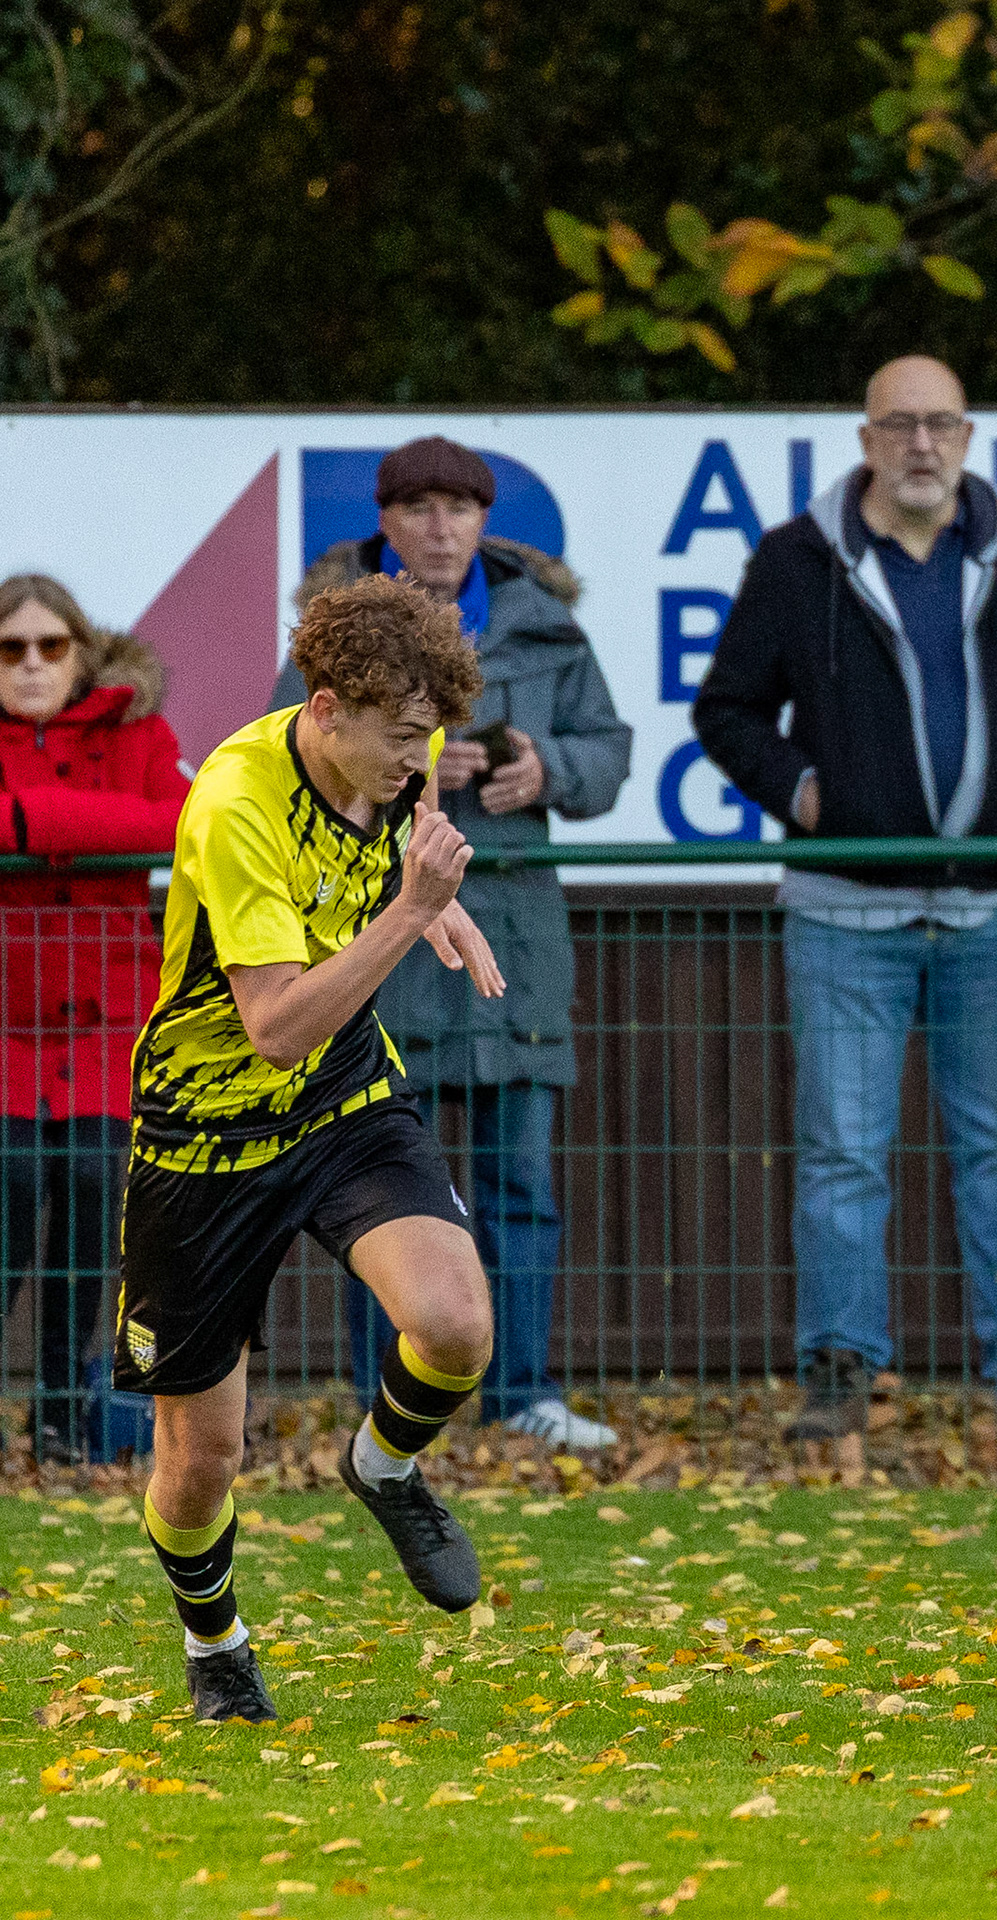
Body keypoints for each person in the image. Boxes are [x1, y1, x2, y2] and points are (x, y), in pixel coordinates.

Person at [695, 355, 997, 1450]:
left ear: (968, 436)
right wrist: (803, 793)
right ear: (866, 440)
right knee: (843, 1156)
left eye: (940, 424)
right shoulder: (796, 559)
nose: (921, 444)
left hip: (995, 911)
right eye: (899, 425)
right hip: (844, 913)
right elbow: (726, 709)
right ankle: (839, 1381)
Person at [121, 572, 506, 1724]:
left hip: (342, 1097)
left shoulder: (397, 759)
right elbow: (277, 1028)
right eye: (399, 737)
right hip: (206, 1132)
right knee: (202, 1458)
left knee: (455, 1323)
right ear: (325, 708)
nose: (417, 762)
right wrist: (411, 911)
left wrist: (427, 899)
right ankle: (217, 1645)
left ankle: (385, 1465)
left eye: (428, 738)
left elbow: (390, 849)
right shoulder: (237, 801)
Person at [271, 435, 633, 1452]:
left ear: (483, 521)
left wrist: (546, 771)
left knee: (520, 1189)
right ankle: (384, 1406)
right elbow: (285, 750)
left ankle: (522, 1395)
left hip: (514, 945)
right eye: (419, 508)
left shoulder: (548, 625)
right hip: (383, 949)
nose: (440, 528)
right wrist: (418, 761)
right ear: (386, 522)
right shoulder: (333, 632)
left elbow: (609, 753)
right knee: (381, 1196)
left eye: (459, 508)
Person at [0, 576, 189, 1460]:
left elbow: (181, 822)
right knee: (11, 1191)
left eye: (51, 646)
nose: (32, 665)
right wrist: (95, 830)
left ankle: (58, 1409)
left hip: (106, 1020)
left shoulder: (139, 732)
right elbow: (139, 824)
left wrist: (28, 820)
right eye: (10, 649)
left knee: (88, 1193)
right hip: (6, 1022)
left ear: (82, 653)